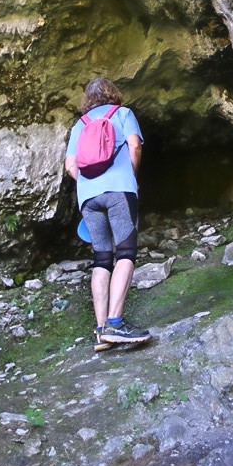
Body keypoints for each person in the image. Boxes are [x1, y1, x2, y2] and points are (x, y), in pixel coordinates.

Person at [65, 77, 151, 352]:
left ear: (87, 100)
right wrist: (131, 177)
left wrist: (89, 185)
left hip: (88, 198)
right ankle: (115, 323)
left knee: (101, 258)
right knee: (125, 253)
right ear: (113, 94)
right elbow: (135, 146)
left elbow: (70, 166)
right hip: (119, 191)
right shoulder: (122, 114)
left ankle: (101, 331)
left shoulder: (80, 124)